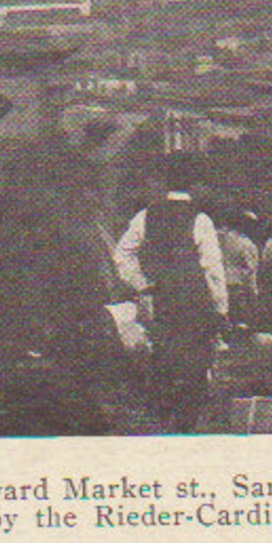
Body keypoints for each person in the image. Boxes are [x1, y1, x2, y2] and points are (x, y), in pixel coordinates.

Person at [113, 154, 230, 433]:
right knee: (195, 356)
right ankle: (187, 417)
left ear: (165, 183)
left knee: (163, 351)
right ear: (194, 186)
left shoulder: (145, 216)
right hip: (194, 296)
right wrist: (221, 308)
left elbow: (121, 256)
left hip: (160, 295)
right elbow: (212, 269)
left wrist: (141, 284)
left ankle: (164, 414)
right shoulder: (200, 220)